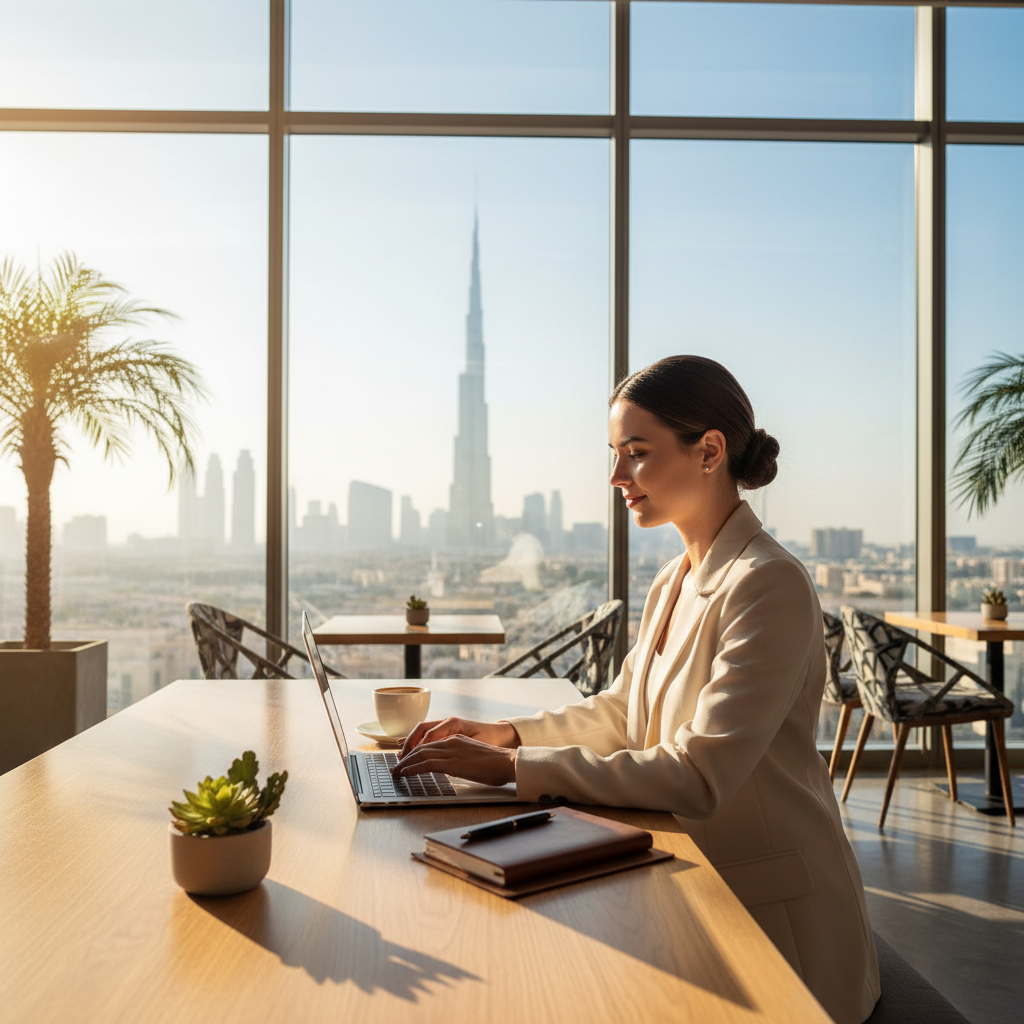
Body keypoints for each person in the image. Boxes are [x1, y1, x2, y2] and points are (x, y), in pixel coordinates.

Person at [393, 355, 880, 1024]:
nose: (616, 477)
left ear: (710, 451)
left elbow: (699, 775)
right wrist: (508, 735)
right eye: (614, 454)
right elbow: (625, 711)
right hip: (683, 886)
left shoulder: (769, 584)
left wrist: (512, 770)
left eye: (636, 453)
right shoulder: (674, 579)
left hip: (771, 923)